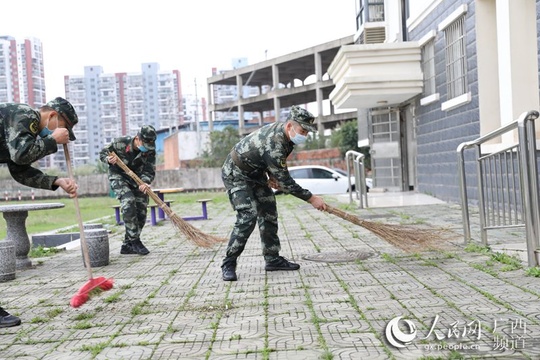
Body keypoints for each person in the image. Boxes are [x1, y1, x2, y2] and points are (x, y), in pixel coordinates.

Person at [221, 105, 326, 281]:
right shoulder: (276, 142)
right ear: (289, 126)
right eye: (302, 130)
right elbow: (286, 182)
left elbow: (270, 160)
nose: (305, 135)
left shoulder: (287, 138)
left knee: (269, 212)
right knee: (248, 216)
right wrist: (311, 198)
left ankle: (273, 259)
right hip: (236, 174)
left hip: (256, 174)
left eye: (307, 132)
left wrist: (271, 175)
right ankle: (229, 262)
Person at [0, 96, 79, 328]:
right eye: (64, 127)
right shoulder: (26, 115)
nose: (65, 134)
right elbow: (21, 155)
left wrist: (57, 182)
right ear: (53, 116)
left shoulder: (28, 130)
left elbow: (20, 170)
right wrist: (53, 140)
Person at [100, 125, 157, 256]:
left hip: (137, 179)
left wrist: (144, 182)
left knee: (141, 208)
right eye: (145, 144)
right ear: (137, 138)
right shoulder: (120, 143)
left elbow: (149, 169)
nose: (147, 149)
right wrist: (108, 159)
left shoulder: (150, 151)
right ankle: (135, 241)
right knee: (128, 201)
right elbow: (103, 153)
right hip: (119, 177)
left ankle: (127, 245)